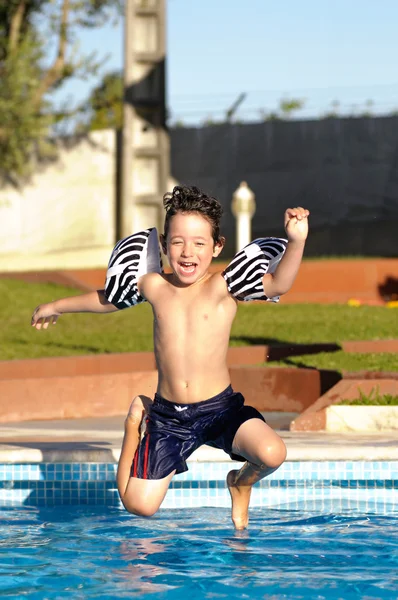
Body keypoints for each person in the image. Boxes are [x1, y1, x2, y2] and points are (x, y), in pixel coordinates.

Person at [31, 185, 309, 529]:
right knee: (138, 505)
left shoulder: (225, 286)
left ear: (217, 246)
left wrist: (296, 241)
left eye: (199, 243)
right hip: (169, 418)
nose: (187, 252)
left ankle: (240, 482)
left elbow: (278, 284)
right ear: (163, 246)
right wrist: (57, 306)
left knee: (272, 454)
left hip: (219, 410)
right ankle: (134, 424)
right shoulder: (154, 286)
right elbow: (108, 299)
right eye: (177, 242)